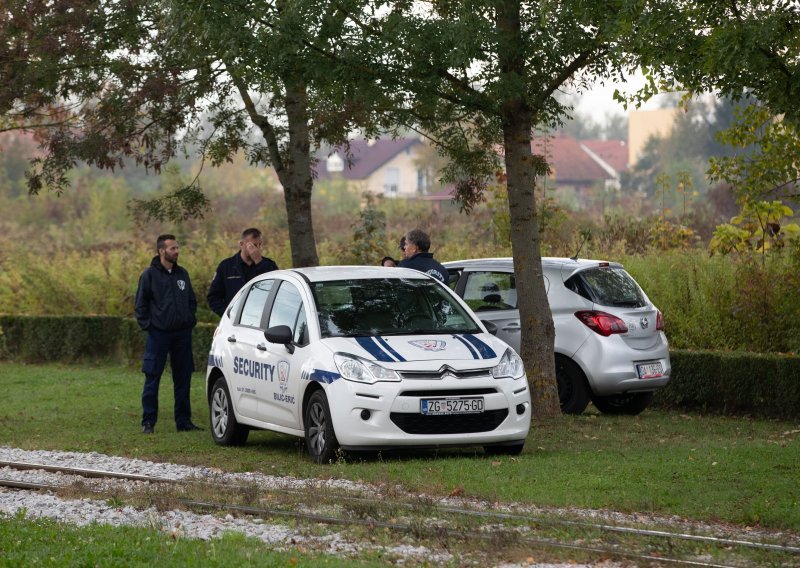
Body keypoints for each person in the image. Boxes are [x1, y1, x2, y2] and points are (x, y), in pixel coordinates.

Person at [134, 234, 201, 434]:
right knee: (152, 377)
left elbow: (191, 301)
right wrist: (150, 327)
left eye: (177, 248)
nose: (176, 251)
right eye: (173, 248)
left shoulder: (183, 274)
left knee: (183, 378)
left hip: (182, 335)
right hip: (159, 335)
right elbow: (140, 305)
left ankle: (184, 422)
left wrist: (189, 320)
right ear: (162, 251)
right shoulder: (149, 275)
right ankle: (148, 422)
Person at [207, 228, 278, 317]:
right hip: (234, 321)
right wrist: (229, 314)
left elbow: (275, 288)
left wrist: (259, 261)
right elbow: (213, 297)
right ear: (241, 244)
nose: (258, 249)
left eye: (260, 245)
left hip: (261, 319)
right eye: (254, 245)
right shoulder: (226, 266)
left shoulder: (269, 265)